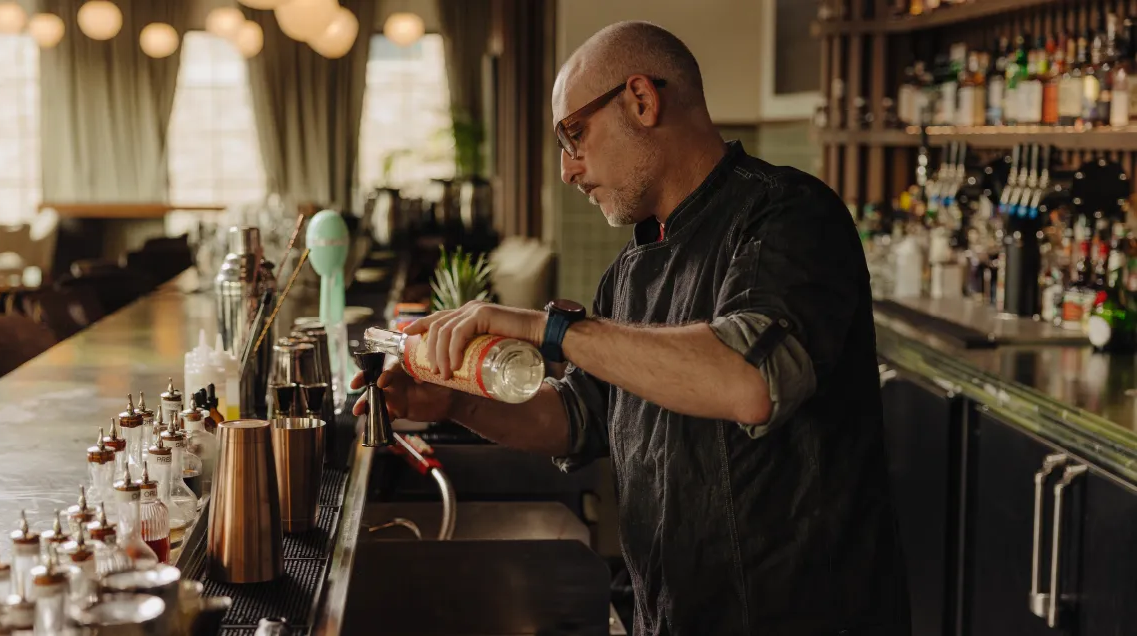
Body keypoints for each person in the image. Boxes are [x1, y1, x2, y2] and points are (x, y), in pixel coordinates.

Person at [352, 21, 910, 636]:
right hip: (673, 614)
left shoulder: (788, 216)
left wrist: (552, 328)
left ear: (641, 101)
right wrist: (454, 401)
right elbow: (578, 418)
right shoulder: (629, 274)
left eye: (574, 134)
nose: (568, 169)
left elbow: (749, 379)